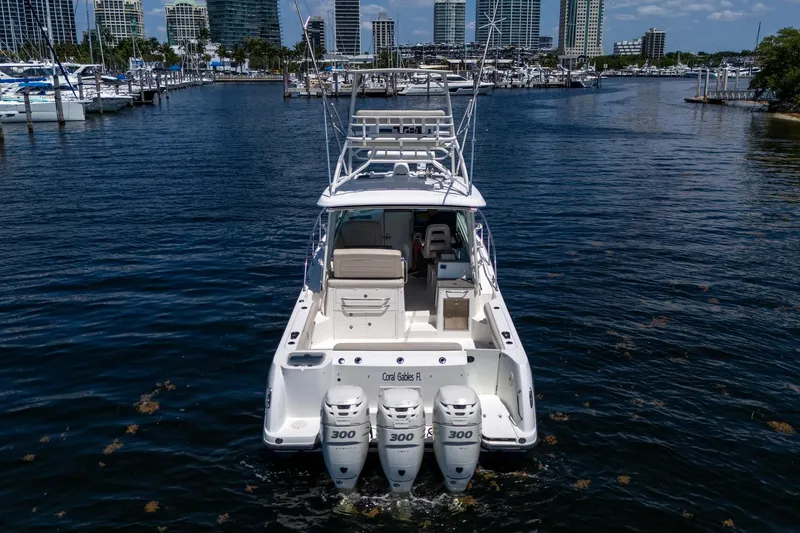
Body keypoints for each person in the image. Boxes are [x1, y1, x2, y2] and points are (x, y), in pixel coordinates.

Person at [410, 209, 456, 274]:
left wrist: (419, 239)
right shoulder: (447, 220)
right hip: (444, 248)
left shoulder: (429, 223)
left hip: (430, 248)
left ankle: (414, 267)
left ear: (429, 211)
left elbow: (423, 237)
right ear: (437, 210)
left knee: (415, 244)